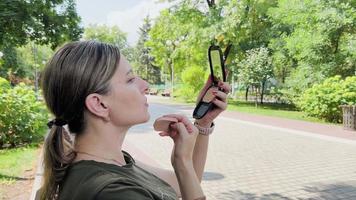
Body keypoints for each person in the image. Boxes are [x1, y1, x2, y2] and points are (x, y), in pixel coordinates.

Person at [39, 41, 230, 200]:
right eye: (130, 80)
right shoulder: (112, 192)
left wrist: (202, 124)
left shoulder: (115, 162)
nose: (145, 86)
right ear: (99, 104)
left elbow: (186, 183)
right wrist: (182, 161)